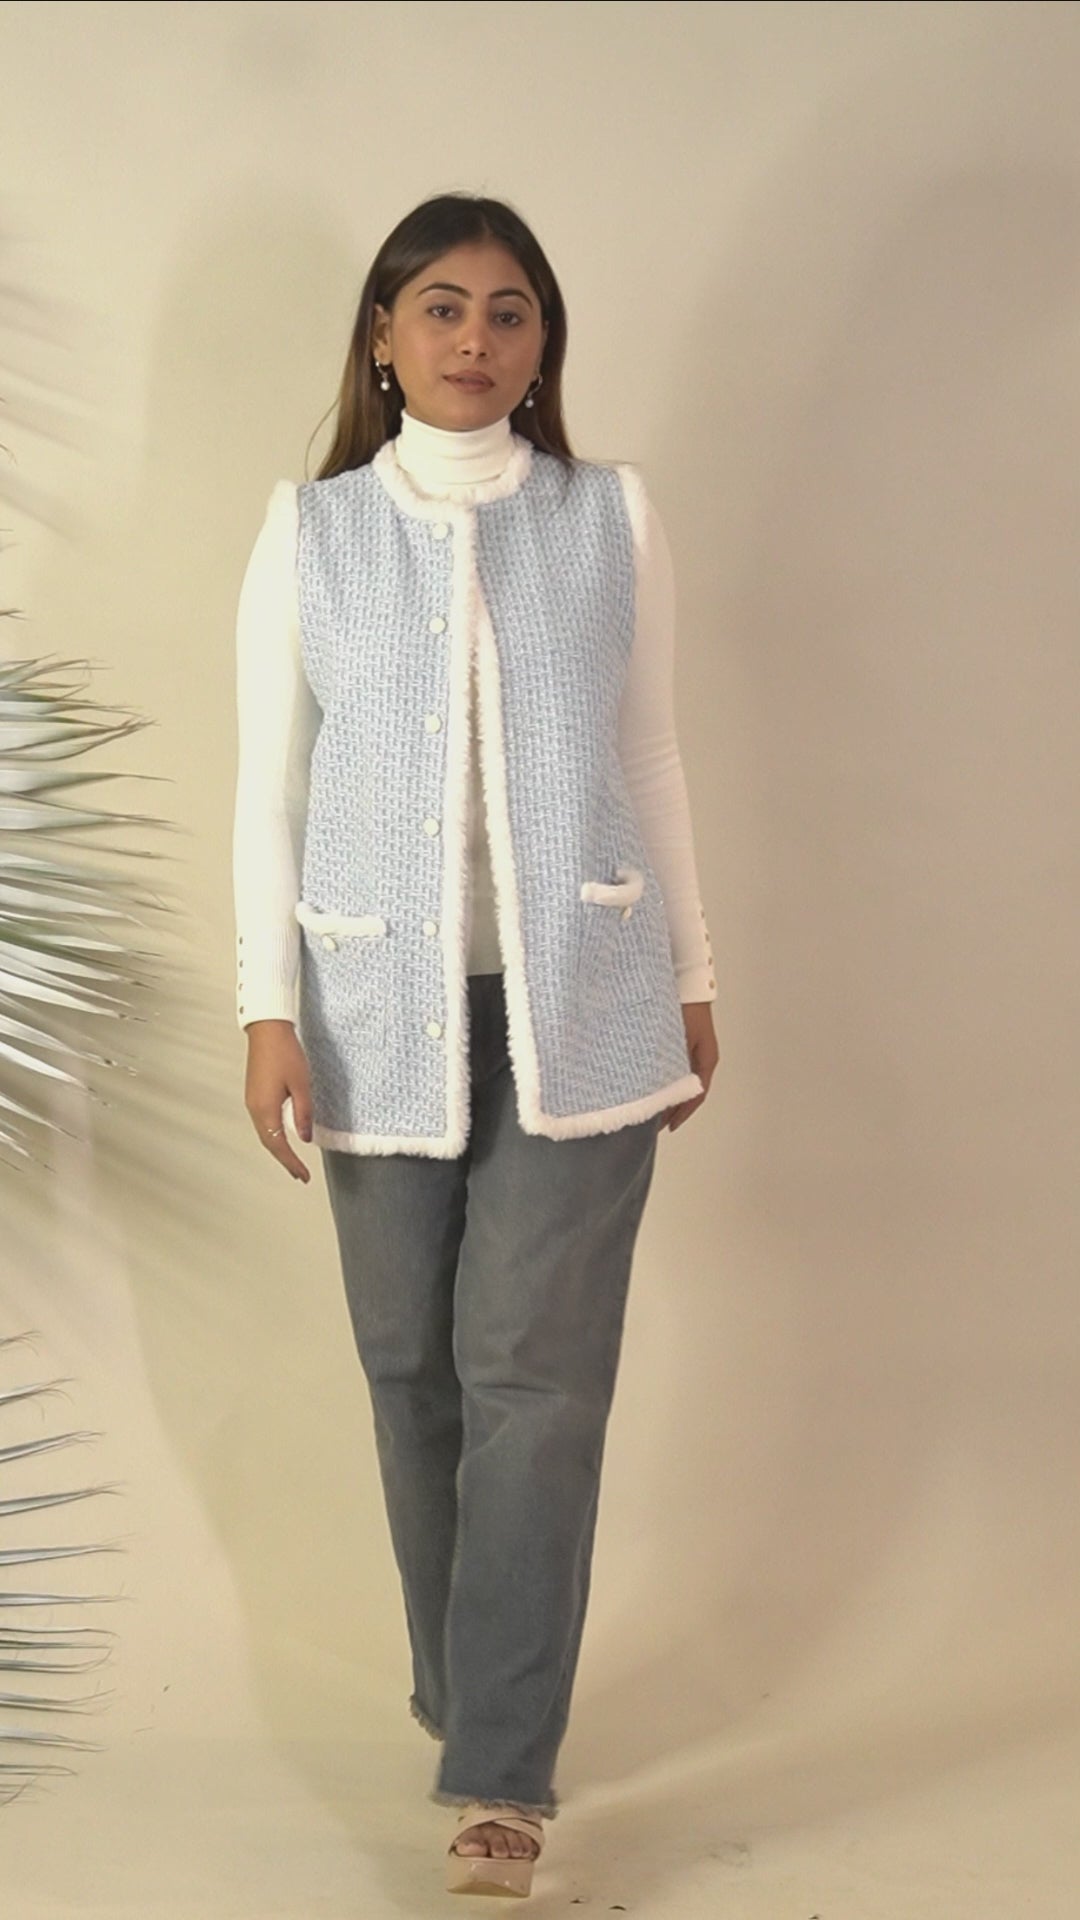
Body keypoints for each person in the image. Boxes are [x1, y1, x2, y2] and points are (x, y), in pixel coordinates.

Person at [232, 190, 719, 1899]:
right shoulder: (312, 530)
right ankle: (469, 1691)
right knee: (413, 1375)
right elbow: (269, 790)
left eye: (510, 311)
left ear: (542, 342)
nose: (475, 338)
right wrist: (265, 1007)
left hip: (584, 1002)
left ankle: (500, 1774)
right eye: (440, 306)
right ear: (383, 335)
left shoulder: (609, 516)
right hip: (374, 1013)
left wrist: (695, 973)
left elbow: (649, 757)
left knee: (535, 1380)